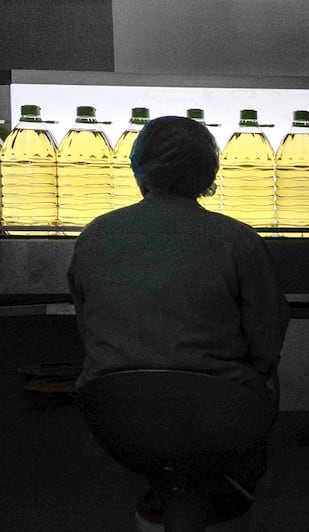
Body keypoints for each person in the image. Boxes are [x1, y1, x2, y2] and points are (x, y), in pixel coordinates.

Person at [68, 115, 289, 517]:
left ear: (139, 168)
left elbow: (88, 331)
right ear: (208, 172)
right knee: (264, 386)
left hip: (114, 415)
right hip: (216, 417)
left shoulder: (95, 235)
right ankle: (225, 494)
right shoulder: (237, 239)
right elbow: (266, 343)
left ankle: (166, 497)